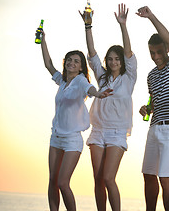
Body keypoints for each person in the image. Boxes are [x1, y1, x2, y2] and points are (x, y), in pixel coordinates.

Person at [40, 31, 112, 211]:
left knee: (63, 183)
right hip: (55, 137)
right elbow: (48, 64)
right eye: (69, 60)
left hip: (72, 139)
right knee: (52, 180)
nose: (72, 63)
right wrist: (43, 41)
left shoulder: (80, 80)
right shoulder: (63, 81)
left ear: (81, 67)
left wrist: (99, 94)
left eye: (76, 61)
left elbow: (91, 88)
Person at [78, 3, 137, 211]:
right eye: (110, 59)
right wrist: (88, 26)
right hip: (98, 131)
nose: (113, 62)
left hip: (117, 132)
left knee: (109, 178)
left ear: (122, 61)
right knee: (98, 180)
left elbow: (128, 51)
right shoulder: (102, 78)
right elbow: (91, 52)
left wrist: (123, 25)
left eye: (116, 59)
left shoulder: (128, 78)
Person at [137, 6, 169, 211]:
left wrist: (151, 17)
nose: (156, 55)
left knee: (165, 179)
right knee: (149, 174)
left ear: (165, 49)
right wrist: (147, 108)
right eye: (152, 52)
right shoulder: (151, 75)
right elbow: (153, 99)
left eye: (158, 51)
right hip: (155, 127)